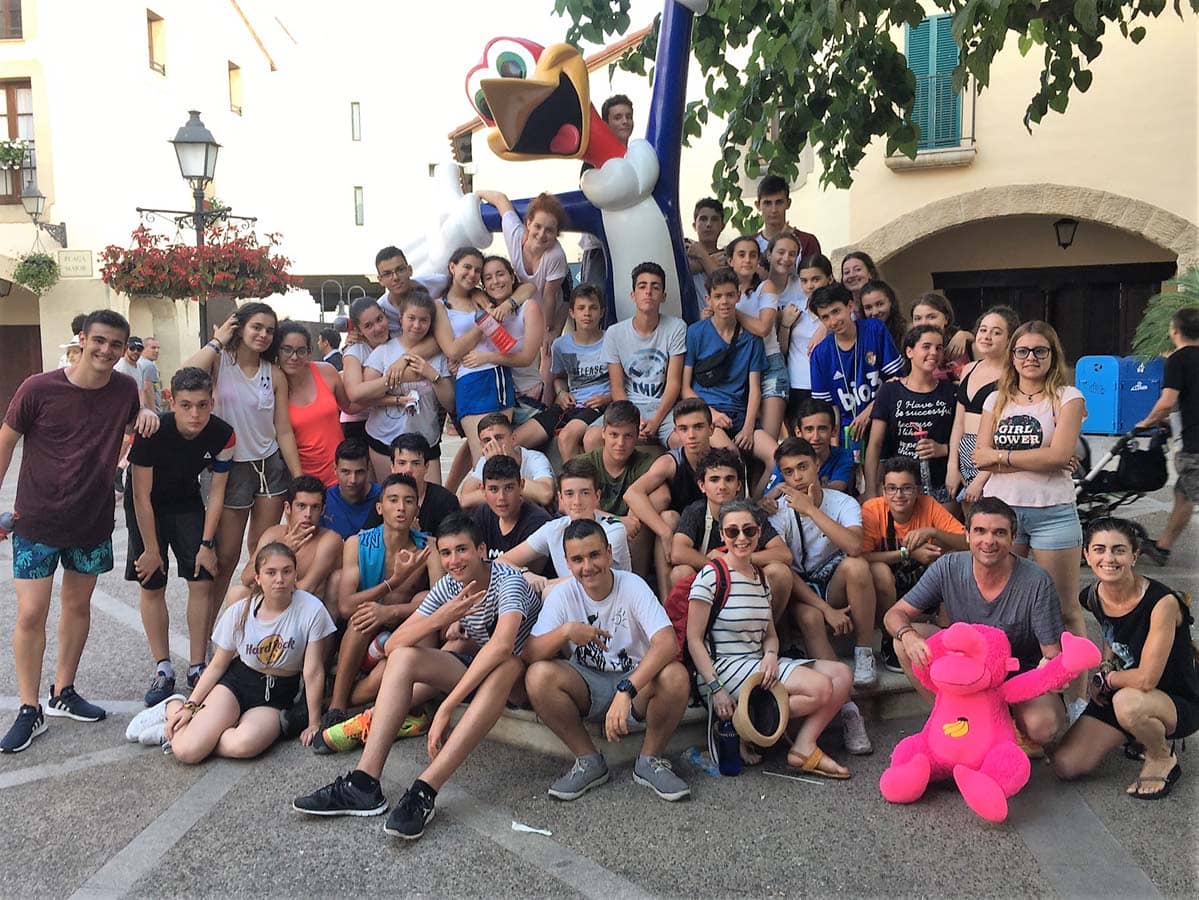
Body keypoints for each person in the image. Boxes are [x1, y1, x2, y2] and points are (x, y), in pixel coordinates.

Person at [292, 514, 541, 842]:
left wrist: (446, 706)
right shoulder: (450, 585)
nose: (453, 561)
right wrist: (442, 617)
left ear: (481, 550)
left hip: (523, 679)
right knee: (403, 657)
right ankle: (364, 783)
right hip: (480, 669)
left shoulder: (508, 580)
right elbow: (393, 645)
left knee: (506, 665)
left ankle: (425, 790)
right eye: (446, 553)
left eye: (462, 550)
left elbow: (502, 646)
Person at [0, 310, 159, 754]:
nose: (106, 350)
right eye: (99, 341)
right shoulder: (38, 388)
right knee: (31, 613)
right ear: (83, 339)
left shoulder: (124, 389)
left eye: (116, 344)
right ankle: (29, 708)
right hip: (37, 519)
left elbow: (135, 420)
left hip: (91, 520)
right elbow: (6, 441)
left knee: (77, 606)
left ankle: (63, 691)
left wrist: (147, 413)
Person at [523, 519, 692, 801]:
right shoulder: (563, 594)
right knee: (538, 675)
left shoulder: (632, 585)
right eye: (577, 560)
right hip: (588, 683)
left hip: (636, 684)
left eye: (594, 555)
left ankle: (650, 760)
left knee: (675, 675)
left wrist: (626, 690)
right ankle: (588, 760)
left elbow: (667, 643)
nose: (587, 566)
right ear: (567, 563)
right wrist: (566, 631)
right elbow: (530, 653)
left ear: (609, 553)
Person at [882, 497, 1072, 747]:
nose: (989, 541)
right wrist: (908, 635)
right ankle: (950, 716)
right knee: (903, 641)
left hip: (1018, 673)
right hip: (967, 667)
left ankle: (1010, 729)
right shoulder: (948, 566)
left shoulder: (1036, 581)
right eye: (980, 531)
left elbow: (1052, 654)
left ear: (1013, 538)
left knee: (1043, 726)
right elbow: (894, 614)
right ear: (968, 535)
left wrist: (1053, 671)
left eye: (999, 533)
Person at [125, 543, 335, 762]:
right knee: (188, 752)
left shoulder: (311, 609)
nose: (279, 579)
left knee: (242, 746)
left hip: (277, 695)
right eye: (271, 573)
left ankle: (181, 732)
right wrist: (191, 705)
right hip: (238, 682)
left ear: (295, 575)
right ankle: (172, 708)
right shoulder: (241, 611)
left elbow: (313, 670)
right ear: (258, 578)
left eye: (287, 571)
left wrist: (314, 723)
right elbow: (217, 665)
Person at [688, 499, 852, 778]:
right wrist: (716, 688)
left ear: (759, 532)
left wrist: (771, 655)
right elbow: (694, 640)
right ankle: (746, 722)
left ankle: (802, 746)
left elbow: (770, 635)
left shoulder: (761, 578)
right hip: (721, 668)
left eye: (749, 530)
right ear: (722, 534)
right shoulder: (711, 575)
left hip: (756, 663)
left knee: (842, 674)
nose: (741, 538)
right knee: (821, 688)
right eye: (732, 532)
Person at [974, 320, 1087, 715]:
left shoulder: (1068, 397)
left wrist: (1002, 458)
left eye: (1040, 350)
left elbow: (1060, 456)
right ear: (1013, 356)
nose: (1031, 358)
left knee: (1065, 608)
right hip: (1003, 514)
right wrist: (1042, 457)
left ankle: (1077, 700)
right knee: (1006, 606)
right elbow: (979, 456)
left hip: (1053, 513)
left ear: (1053, 355)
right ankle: (1008, 691)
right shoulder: (995, 399)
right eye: (1022, 351)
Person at [1052, 517, 1199, 798]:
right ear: (1087, 555)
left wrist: (1105, 679)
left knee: (1128, 703)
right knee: (1066, 764)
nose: (1108, 558)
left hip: (1172, 697)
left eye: (1119, 550)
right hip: (1122, 688)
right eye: (1099, 549)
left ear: (1134, 556)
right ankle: (1136, 733)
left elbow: (1146, 679)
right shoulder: (1092, 596)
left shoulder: (1162, 603)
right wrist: (1107, 664)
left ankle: (1160, 755)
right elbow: (1112, 634)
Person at [183, 303, 302, 617]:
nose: (263, 335)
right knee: (226, 556)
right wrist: (217, 341)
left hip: (269, 466)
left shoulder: (274, 373)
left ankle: (253, 624)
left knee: (261, 554)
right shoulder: (220, 361)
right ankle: (208, 629)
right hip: (230, 467)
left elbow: (283, 429)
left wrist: (298, 477)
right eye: (256, 327)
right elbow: (185, 374)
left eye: (270, 330)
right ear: (240, 327)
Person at [126, 367, 235, 706]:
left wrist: (206, 544)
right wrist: (151, 549)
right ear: (172, 402)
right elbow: (141, 496)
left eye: (202, 405)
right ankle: (163, 668)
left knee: (202, 579)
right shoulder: (152, 431)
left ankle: (198, 666)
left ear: (212, 402)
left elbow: (216, 492)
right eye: (186, 405)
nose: (195, 414)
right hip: (146, 505)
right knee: (152, 582)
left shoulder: (223, 435)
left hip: (186, 500)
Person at [325, 474, 440, 724]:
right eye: (393, 500)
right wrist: (392, 583)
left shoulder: (428, 547)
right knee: (362, 617)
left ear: (417, 509)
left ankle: (348, 702)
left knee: (424, 601)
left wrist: (391, 612)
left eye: (409, 501)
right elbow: (346, 606)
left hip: (404, 625)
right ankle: (336, 706)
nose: (401, 508)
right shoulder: (357, 543)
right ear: (379, 508)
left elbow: (440, 601)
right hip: (363, 628)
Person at [768, 439, 879, 697]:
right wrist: (827, 610)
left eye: (803, 467)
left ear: (817, 464)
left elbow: (854, 546)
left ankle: (864, 652)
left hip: (832, 580)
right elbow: (784, 569)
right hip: (799, 590)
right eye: (788, 472)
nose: (797, 477)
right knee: (811, 617)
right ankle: (844, 701)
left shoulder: (842, 502)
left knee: (858, 566)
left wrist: (810, 510)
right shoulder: (778, 511)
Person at [862, 457, 966, 672]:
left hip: (920, 580)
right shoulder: (872, 509)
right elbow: (861, 557)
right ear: (883, 490)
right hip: (886, 584)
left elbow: (967, 542)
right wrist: (906, 554)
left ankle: (945, 631)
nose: (898, 495)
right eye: (892, 488)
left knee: (952, 558)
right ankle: (888, 639)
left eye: (906, 488)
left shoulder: (928, 505)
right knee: (878, 571)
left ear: (918, 490)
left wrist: (934, 532)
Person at [671, 448, 793, 622]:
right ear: (702, 486)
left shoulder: (752, 513)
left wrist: (732, 561)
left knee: (780, 572)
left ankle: (764, 630)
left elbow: (784, 554)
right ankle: (692, 635)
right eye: (714, 479)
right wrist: (718, 567)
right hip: (709, 582)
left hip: (746, 579)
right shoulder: (695, 512)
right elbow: (678, 552)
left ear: (739, 486)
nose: (722, 486)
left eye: (729, 479)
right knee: (680, 572)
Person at [683, 267, 777, 489]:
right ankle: (738, 506)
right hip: (708, 414)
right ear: (709, 299)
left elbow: (755, 388)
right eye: (718, 296)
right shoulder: (695, 332)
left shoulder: (752, 339)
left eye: (729, 295)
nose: (724, 301)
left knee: (778, 457)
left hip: (740, 415)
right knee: (732, 457)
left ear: (738, 296)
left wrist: (748, 428)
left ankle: (758, 501)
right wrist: (712, 414)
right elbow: (685, 388)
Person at [431, 246, 517, 467]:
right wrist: (484, 323)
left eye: (477, 270)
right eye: (467, 267)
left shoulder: (483, 297)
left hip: (500, 374)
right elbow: (452, 350)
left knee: (503, 453)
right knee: (482, 455)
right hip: (471, 379)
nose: (472, 274)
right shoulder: (440, 306)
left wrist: (506, 304)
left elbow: (527, 288)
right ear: (452, 267)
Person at [625, 398, 716, 602]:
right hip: (679, 538)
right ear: (676, 432)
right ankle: (665, 603)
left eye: (698, 427)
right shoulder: (671, 461)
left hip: (714, 536)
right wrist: (665, 532)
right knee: (668, 518)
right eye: (684, 429)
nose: (691, 435)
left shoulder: (724, 463)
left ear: (711, 429)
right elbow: (632, 493)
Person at [357, 290, 453, 484]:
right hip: (385, 439)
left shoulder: (438, 354)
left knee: (429, 499)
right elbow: (366, 397)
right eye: (411, 318)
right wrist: (397, 391)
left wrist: (432, 374)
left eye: (423, 320)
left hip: (426, 440)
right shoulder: (383, 352)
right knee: (391, 496)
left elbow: (450, 403)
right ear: (400, 318)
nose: (417, 325)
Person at [498, 457, 633, 592]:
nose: (577, 501)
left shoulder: (614, 530)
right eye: (569, 494)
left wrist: (545, 583)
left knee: (548, 593)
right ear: (560, 498)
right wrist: (525, 574)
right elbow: (501, 562)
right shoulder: (554, 529)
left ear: (597, 496)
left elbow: (592, 578)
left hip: (615, 599)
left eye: (585, 493)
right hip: (571, 600)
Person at [594, 261, 687, 448]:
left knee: (681, 441)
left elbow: (674, 383)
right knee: (592, 438)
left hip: (664, 407)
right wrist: (633, 420)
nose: (648, 292)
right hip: (628, 405)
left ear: (663, 296)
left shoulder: (676, 327)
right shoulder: (615, 333)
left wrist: (655, 421)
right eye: (642, 286)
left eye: (655, 287)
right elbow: (617, 387)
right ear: (633, 295)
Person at [477, 189, 568, 378]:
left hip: (553, 306)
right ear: (528, 223)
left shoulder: (555, 255)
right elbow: (501, 199)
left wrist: (548, 330)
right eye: (537, 226)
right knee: (517, 354)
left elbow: (549, 297)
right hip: (523, 302)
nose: (541, 234)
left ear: (556, 234)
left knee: (546, 355)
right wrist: (474, 195)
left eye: (549, 230)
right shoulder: (515, 235)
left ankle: (546, 392)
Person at [809, 282, 902, 463]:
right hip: (848, 432)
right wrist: (834, 444)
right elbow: (827, 407)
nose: (833, 321)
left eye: (836, 311)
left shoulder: (875, 329)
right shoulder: (820, 354)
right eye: (825, 317)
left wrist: (869, 411)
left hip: (884, 421)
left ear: (850, 306)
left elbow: (896, 380)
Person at [863, 325, 958, 502]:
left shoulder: (951, 391)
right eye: (926, 346)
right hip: (900, 488)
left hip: (941, 485)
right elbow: (875, 445)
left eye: (938, 348)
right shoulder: (890, 390)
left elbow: (963, 437)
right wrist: (870, 489)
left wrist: (943, 449)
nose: (934, 352)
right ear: (909, 351)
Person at [516, 284, 610, 460]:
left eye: (593, 308)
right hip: (570, 406)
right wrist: (561, 393)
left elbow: (624, 382)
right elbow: (559, 377)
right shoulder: (561, 345)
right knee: (514, 440)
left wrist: (607, 398)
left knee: (566, 437)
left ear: (602, 312)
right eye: (581, 308)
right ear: (572, 312)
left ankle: (573, 478)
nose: (587, 313)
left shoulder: (611, 340)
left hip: (598, 406)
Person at [1138, 306, 1199, 565]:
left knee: (1190, 493)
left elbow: (1167, 401)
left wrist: (1147, 422)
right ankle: (1163, 547)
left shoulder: (1178, 359)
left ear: (1174, 331)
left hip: (1194, 446)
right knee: (1183, 494)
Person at [229, 476, 344, 613]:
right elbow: (246, 578)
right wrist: (281, 549)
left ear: (323, 510)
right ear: (288, 508)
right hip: (274, 603)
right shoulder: (273, 534)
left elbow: (307, 588)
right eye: (301, 506)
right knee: (237, 593)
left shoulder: (330, 540)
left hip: (309, 611)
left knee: (338, 578)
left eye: (315, 507)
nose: (308, 514)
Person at [946, 306, 1020, 512]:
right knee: (971, 521)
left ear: (1010, 339)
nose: (987, 336)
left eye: (996, 332)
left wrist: (981, 479)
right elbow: (958, 422)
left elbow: (1008, 435)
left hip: (993, 455)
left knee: (994, 517)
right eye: (983, 330)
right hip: (965, 451)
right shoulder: (969, 368)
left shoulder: (1013, 376)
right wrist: (952, 465)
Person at [277, 322, 358, 487]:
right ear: (277, 351)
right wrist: (299, 481)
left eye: (301, 351)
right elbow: (283, 435)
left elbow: (350, 406)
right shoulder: (273, 385)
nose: (294, 357)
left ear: (309, 352)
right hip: (304, 480)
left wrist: (391, 399)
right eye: (287, 349)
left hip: (341, 476)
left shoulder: (326, 371)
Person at [738, 234, 797, 439]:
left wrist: (732, 311)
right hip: (740, 368)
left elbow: (764, 327)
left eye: (753, 255)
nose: (747, 260)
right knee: (745, 439)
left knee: (769, 439)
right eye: (741, 254)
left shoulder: (765, 287)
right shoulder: (724, 291)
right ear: (730, 260)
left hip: (770, 364)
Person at [578, 94, 634, 289]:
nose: (625, 121)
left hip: (632, 243)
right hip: (600, 247)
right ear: (606, 124)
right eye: (618, 117)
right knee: (596, 297)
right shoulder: (592, 160)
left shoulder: (636, 156)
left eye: (628, 116)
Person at [361, 434, 460, 536]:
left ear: (426, 466)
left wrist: (417, 536)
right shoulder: (384, 497)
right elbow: (364, 538)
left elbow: (456, 540)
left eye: (416, 463)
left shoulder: (445, 501)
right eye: (402, 463)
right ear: (392, 467)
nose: (408, 470)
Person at [774, 250, 826, 433]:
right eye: (804, 281)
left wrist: (825, 326)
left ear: (829, 278)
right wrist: (785, 325)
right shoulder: (794, 307)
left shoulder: (839, 311)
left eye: (816, 279)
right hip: (797, 383)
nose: (810, 286)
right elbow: (782, 349)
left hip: (827, 383)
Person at [458, 413, 555, 510]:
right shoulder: (485, 460)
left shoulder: (535, 459)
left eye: (499, 438)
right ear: (482, 446)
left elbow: (545, 495)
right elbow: (465, 500)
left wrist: (503, 465)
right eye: (487, 440)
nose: (493, 444)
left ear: (513, 439)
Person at [761, 399, 854, 498]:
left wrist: (788, 488)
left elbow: (836, 490)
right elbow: (767, 498)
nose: (816, 437)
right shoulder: (787, 458)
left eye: (822, 429)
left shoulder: (844, 456)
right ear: (798, 432)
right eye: (809, 429)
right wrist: (772, 495)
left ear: (834, 431)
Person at [340, 296, 402, 442]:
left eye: (379, 319)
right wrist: (398, 381)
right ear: (358, 330)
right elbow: (354, 394)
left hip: (391, 420)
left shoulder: (398, 341)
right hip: (358, 423)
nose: (378, 328)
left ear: (385, 315)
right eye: (368, 326)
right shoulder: (355, 352)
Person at [470, 455, 552, 561]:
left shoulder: (538, 522)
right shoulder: (483, 514)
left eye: (508, 488)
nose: (501, 497)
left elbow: (527, 569)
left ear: (521, 486)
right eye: (493, 489)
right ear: (483, 490)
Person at [320, 439, 382, 540]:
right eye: (346, 472)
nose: (353, 480)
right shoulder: (324, 500)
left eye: (359, 472)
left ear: (368, 469)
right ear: (335, 469)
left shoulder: (384, 498)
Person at [752, 174, 821, 265]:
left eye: (779, 202)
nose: (774, 210)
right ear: (758, 205)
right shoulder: (750, 245)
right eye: (767, 203)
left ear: (788, 203)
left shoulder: (807, 242)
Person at [911, 292, 974, 378]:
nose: (924, 323)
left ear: (946, 319)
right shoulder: (910, 346)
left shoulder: (961, 341)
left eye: (931, 317)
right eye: (918, 318)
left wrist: (964, 335)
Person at [685, 197, 727, 304]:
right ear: (694, 225)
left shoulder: (729, 257)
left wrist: (702, 255)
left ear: (722, 226)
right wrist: (710, 261)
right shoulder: (683, 253)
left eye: (714, 219)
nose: (708, 224)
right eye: (703, 219)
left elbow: (723, 285)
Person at [859, 280, 908, 352]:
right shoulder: (859, 338)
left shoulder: (906, 333)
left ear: (891, 302)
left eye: (879, 304)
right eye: (868, 307)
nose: (874, 312)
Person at [139, 336, 166, 412]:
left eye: (158, 348)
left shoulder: (138, 363)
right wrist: (153, 411)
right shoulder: (149, 365)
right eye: (153, 348)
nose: (157, 351)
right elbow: (147, 389)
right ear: (143, 349)